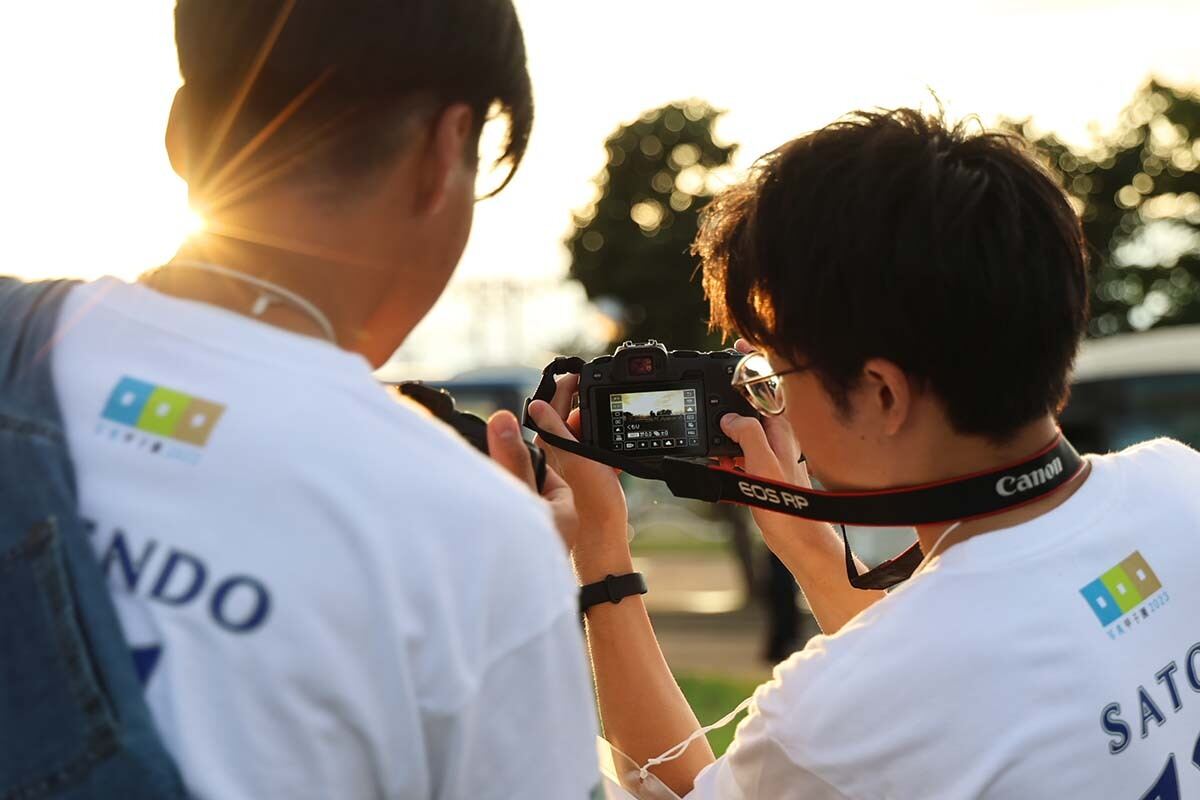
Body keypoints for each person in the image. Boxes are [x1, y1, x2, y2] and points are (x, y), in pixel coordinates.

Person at [525, 108, 1200, 798]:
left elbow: (672, 787)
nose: (769, 403)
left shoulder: (830, 718)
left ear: (881, 393)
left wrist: (601, 550)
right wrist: (806, 541)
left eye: (777, 373)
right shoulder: (1181, 486)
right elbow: (939, 685)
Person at [24, 1, 598, 797]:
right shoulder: (475, 538)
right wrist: (514, 583)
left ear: (180, 134)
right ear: (445, 151)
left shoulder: (27, 344)